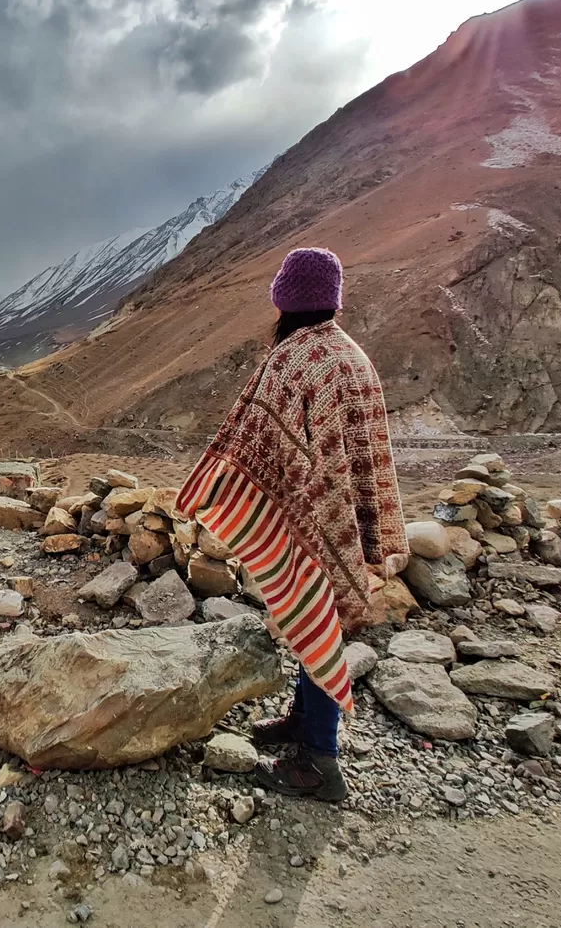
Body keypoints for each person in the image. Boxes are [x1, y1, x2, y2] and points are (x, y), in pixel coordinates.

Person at [175, 246, 408, 802]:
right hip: (343, 514)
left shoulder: (292, 359)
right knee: (318, 615)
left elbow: (248, 438)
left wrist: (207, 488)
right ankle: (303, 723)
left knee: (314, 615)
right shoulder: (351, 354)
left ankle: (318, 762)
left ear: (284, 300)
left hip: (311, 516)